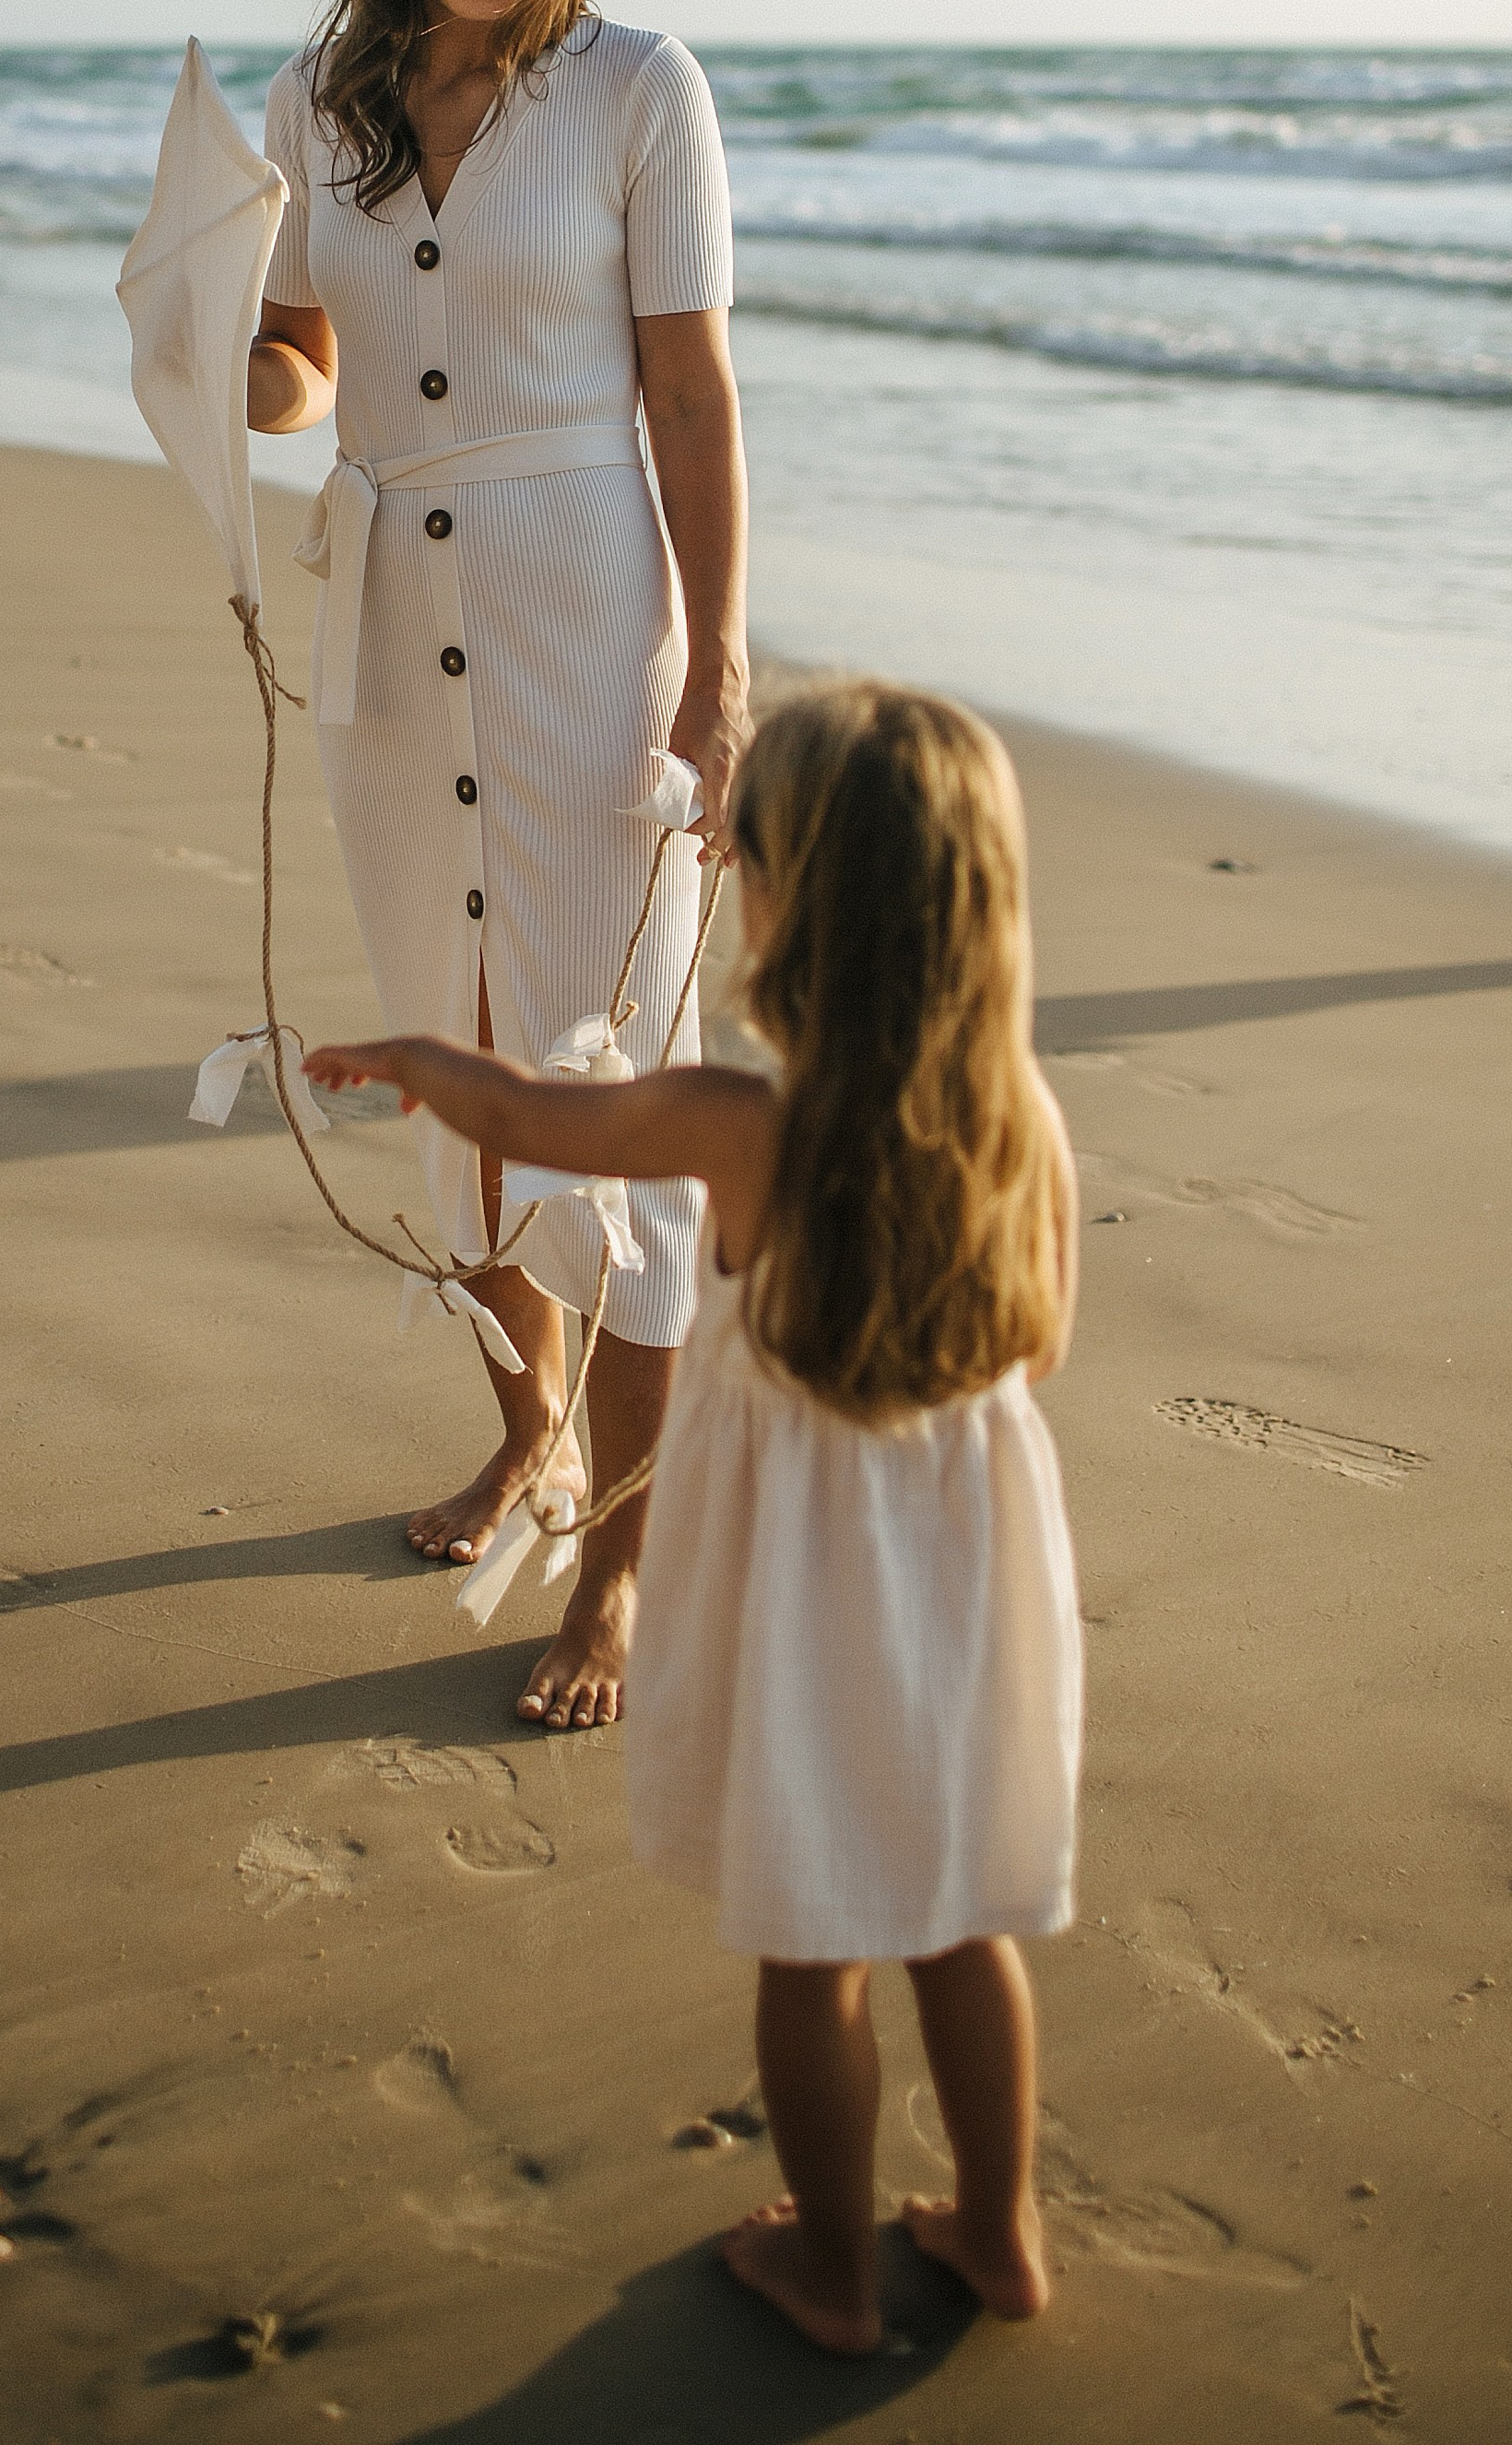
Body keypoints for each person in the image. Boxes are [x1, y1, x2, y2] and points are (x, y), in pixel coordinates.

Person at [303, 682, 1085, 2355]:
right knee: (958, 1920)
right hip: (973, 1570)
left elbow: (535, 1123)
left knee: (817, 1945)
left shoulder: (744, 1126)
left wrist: (419, 1058)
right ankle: (1004, 2231)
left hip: (819, 1584)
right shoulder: (1026, 1126)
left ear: (797, 914)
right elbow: (1043, 1339)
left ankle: (836, 2276)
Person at [247, 0, 750, 1733]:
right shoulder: (318, 98)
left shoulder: (641, 88)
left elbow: (693, 394)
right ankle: (528, 1422)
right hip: (385, 613)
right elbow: (295, 360)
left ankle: (616, 1564)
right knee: (447, 1052)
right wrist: (223, 373)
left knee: (609, 1071)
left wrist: (719, 669)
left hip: (586, 613)